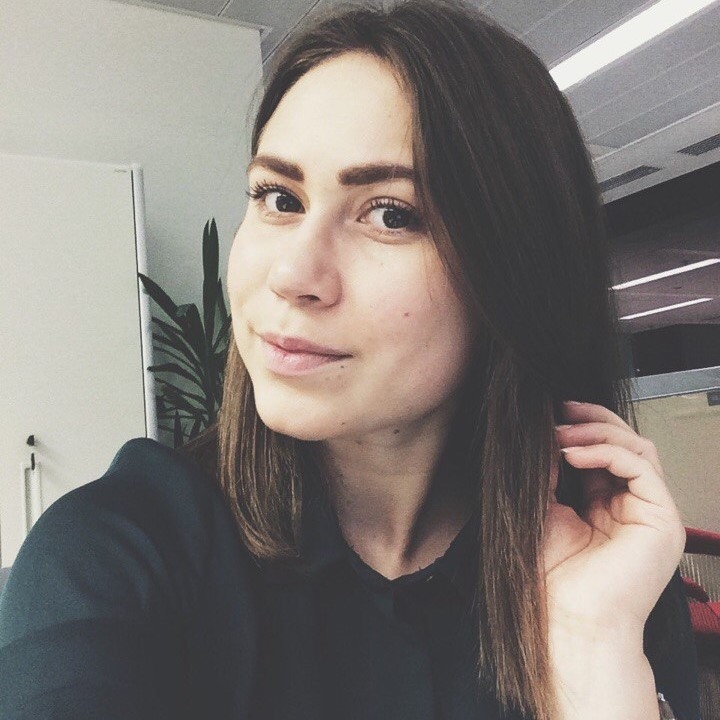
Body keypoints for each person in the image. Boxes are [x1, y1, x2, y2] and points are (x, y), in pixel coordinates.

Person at [0, 1, 700, 718]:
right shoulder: (116, 554)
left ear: (515, 271)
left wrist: (594, 649)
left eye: (391, 214)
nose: (291, 274)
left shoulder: (602, 556)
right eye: (279, 197)